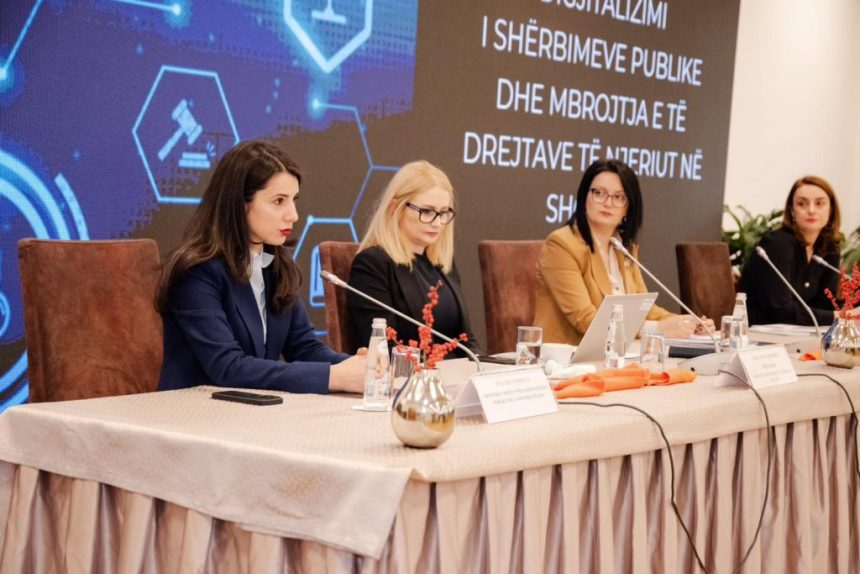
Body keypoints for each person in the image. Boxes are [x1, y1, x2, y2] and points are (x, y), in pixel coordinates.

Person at [156, 140, 365, 394]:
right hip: (193, 410)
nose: (293, 215)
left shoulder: (275, 266)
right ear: (240, 204)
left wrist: (357, 367)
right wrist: (335, 377)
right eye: (279, 201)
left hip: (249, 408)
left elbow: (304, 348)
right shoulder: (196, 272)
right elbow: (228, 368)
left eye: (293, 200)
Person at [534, 159, 710, 344]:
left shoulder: (624, 248)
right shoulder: (562, 245)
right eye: (599, 193)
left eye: (619, 197)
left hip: (616, 353)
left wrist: (687, 323)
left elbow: (645, 309)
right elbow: (586, 320)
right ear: (584, 197)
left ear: (628, 207)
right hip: (569, 355)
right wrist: (657, 328)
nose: (608, 203)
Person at [348, 160, 481, 357]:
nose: (437, 222)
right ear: (396, 208)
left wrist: (480, 366)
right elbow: (383, 348)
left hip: (454, 374)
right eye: (426, 211)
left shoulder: (443, 264)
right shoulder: (372, 264)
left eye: (444, 213)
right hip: (408, 374)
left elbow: (465, 340)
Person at [739, 175, 847, 325]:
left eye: (819, 203)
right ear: (792, 210)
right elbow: (781, 311)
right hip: (759, 333)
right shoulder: (777, 244)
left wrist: (850, 311)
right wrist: (842, 316)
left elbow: (825, 305)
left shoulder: (829, 247)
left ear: (831, 210)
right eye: (802, 204)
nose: (811, 210)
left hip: (803, 334)